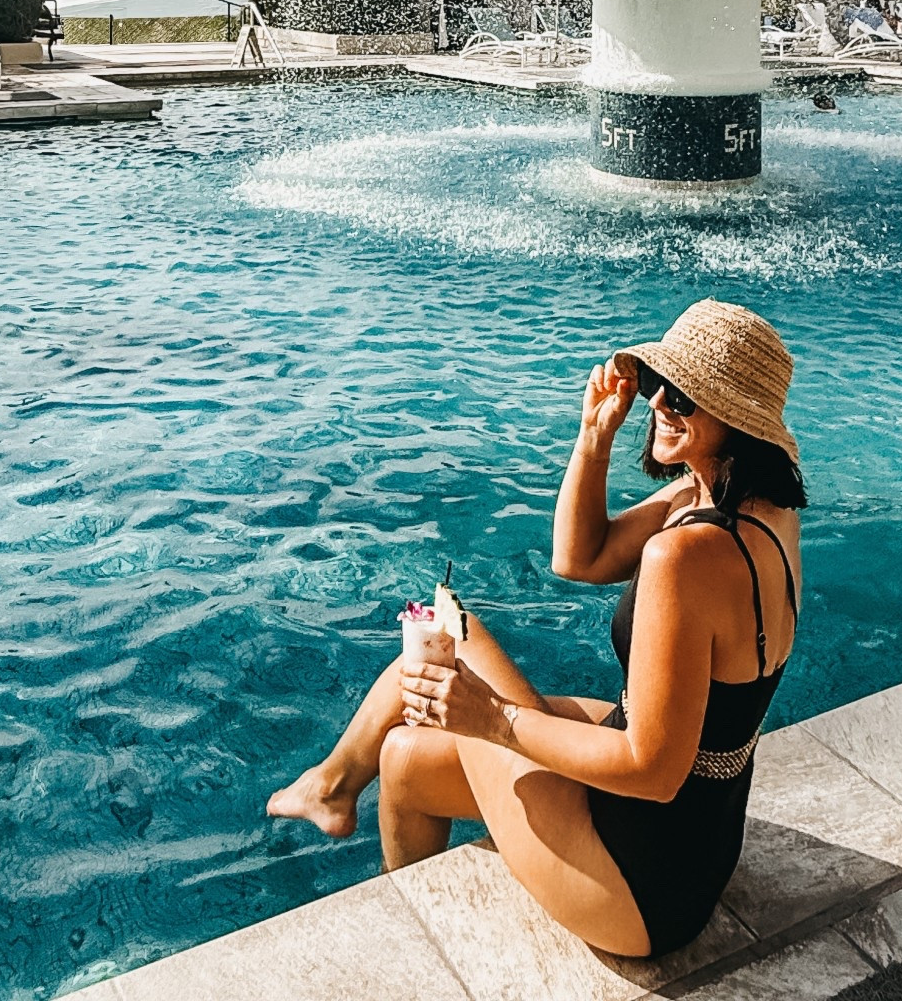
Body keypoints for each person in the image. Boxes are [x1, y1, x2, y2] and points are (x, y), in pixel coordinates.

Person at [267, 301, 805, 961]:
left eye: (688, 396)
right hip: (699, 842)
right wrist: (594, 435)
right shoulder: (756, 510)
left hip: (641, 885)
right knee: (412, 733)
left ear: (737, 420)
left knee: (441, 651)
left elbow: (651, 771)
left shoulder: (685, 556)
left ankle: (336, 798)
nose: (663, 402)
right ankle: (341, 800)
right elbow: (579, 558)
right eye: (662, 383)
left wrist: (491, 719)